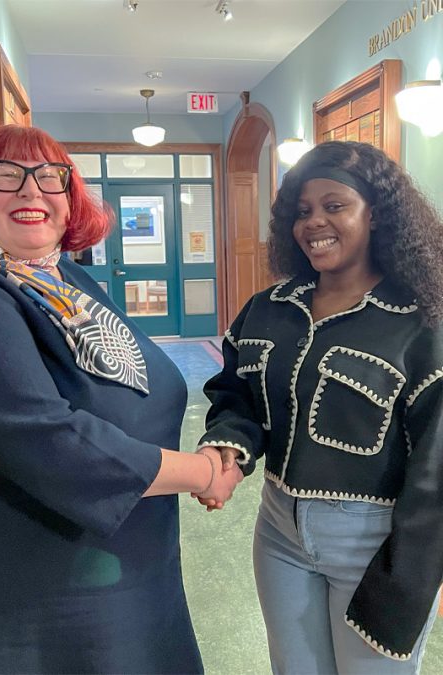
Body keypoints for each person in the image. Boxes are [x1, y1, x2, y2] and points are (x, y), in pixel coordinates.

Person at [0, 123, 241, 673]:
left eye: (50, 177)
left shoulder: (65, 278)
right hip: (12, 581)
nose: (31, 192)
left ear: (70, 200)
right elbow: (47, 437)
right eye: (6, 176)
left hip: (114, 564)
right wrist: (199, 472)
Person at [199, 140, 443, 673]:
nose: (315, 223)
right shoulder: (269, 308)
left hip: (374, 540)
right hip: (278, 530)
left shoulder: (422, 322)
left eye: (335, 206)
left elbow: (437, 468)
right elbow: (235, 393)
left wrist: (417, 569)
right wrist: (228, 446)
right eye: (303, 211)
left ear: (376, 214)